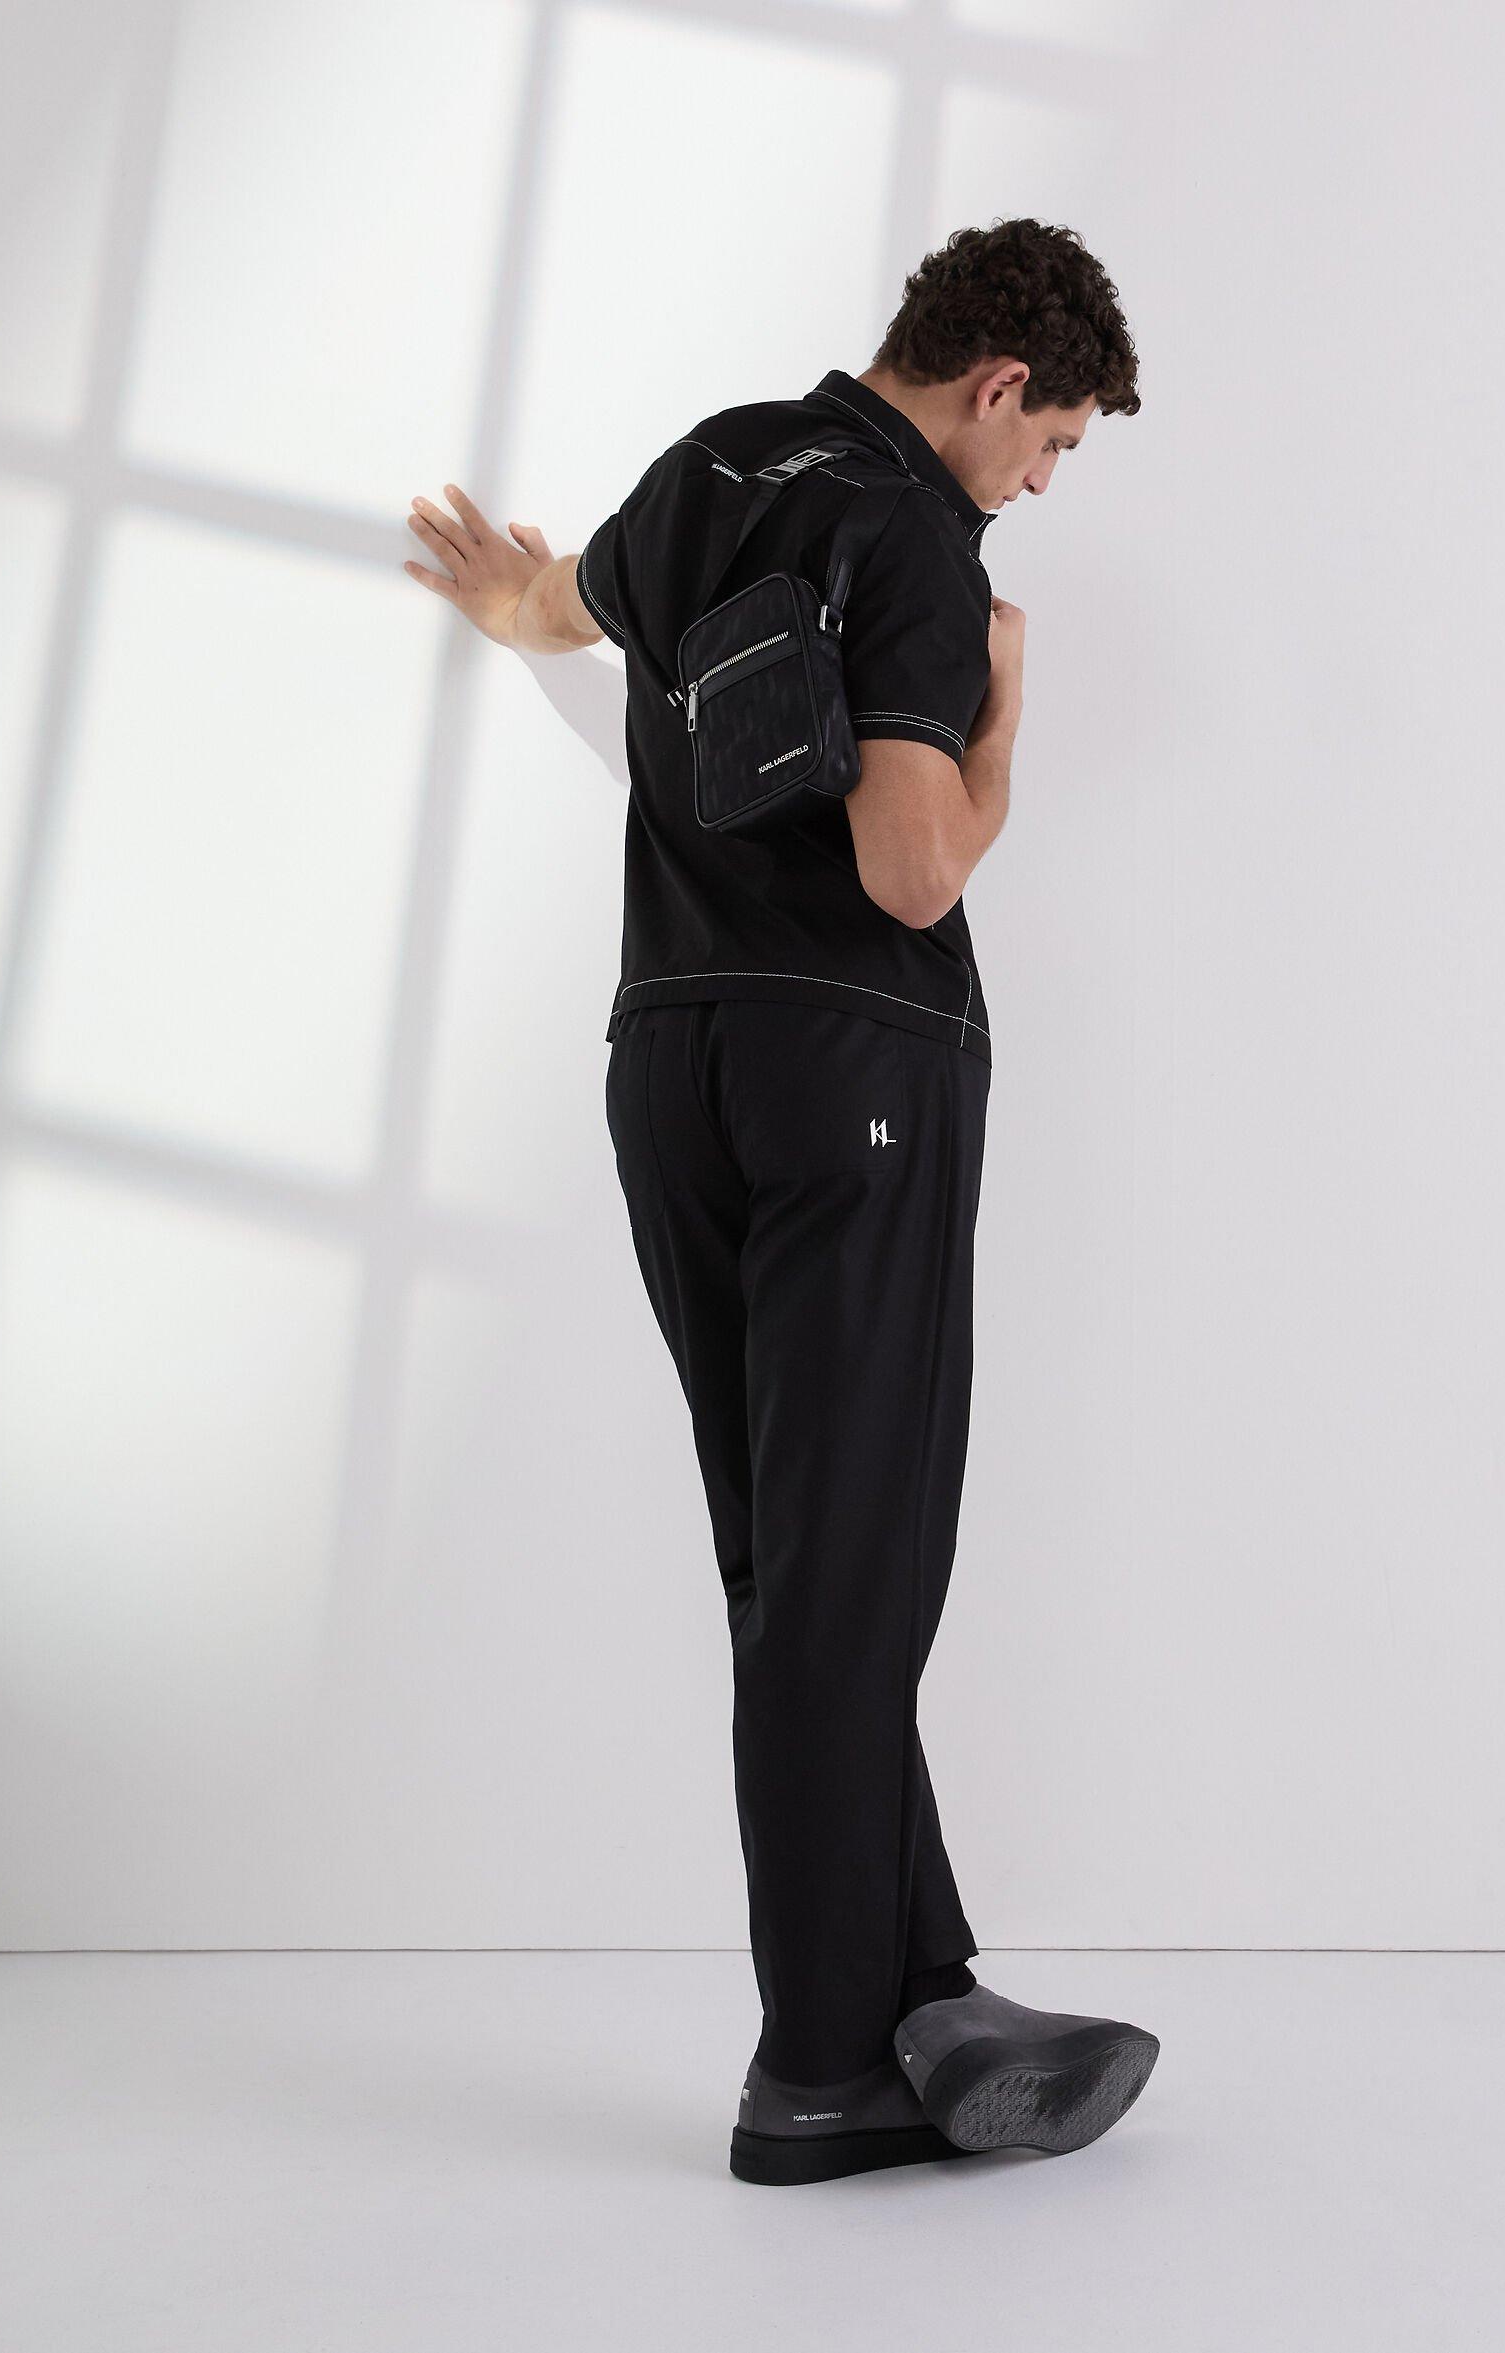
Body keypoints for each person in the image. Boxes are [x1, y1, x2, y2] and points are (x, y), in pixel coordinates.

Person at [405, 217, 1159, 2186]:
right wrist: (1000, 708)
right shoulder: (915, 536)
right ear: (998, 382)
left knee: (792, 1563)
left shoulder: (716, 461)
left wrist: (498, 600)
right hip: (855, 1070)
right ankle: (823, 2068)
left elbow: (563, 607)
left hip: (674, 1058)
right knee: (853, 1574)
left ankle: (922, 1990)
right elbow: (914, 870)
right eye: (1053, 443)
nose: (1041, 483)